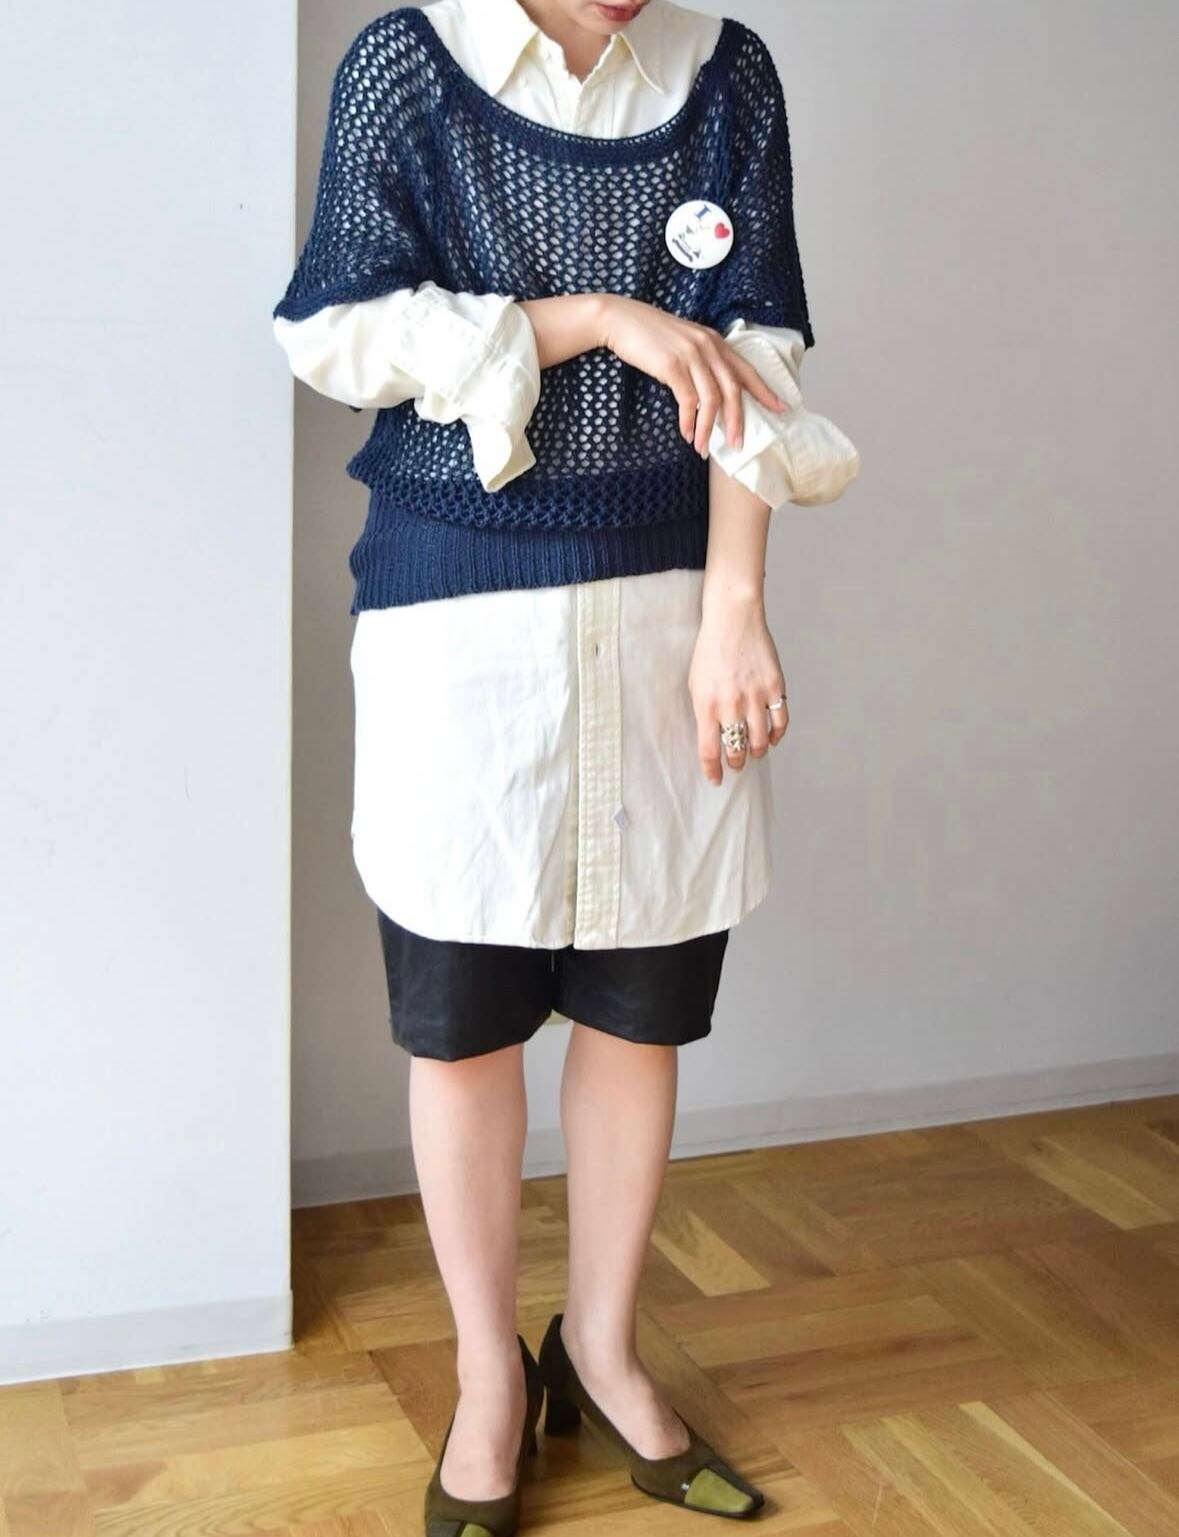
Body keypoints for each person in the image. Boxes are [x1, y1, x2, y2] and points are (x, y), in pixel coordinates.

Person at [272, 0, 860, 1529]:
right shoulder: (408, 68)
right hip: (456, 618)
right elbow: (336, 333)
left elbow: (760, 358)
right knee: (463, 1024)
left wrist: (735, 609)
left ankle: (598, 1347)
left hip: (671, 612)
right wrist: (594, 315)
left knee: (638, 1007)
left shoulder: (726, 78)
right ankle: (488, 1376)